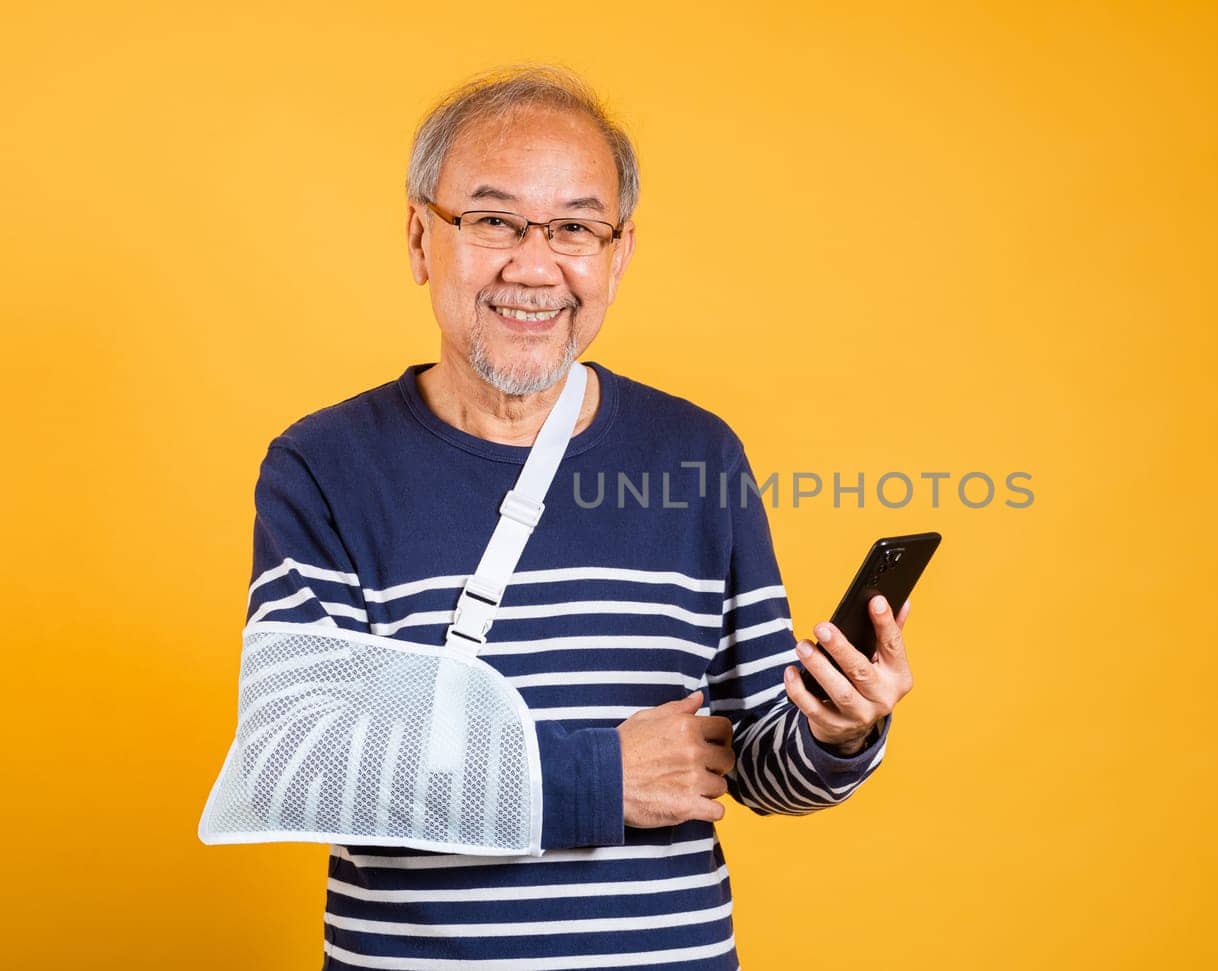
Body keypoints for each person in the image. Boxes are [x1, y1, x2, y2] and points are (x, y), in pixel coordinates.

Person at [240, 65, 916, 969]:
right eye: (492, 221)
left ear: (618, 254)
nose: (534, 264)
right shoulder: (323, 468)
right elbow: (302, 768)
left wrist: (840, 729)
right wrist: (602, 778)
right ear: (418, 237)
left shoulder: (699, 456)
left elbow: (753, 764)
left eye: (574, 228)